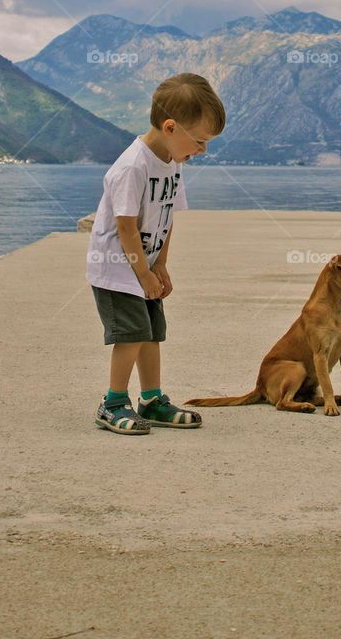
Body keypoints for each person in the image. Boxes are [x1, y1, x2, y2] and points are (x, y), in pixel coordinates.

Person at [87, 71, 226, 435]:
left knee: (151, 332)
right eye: (198, 141)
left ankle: (151, 399)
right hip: (118, 269)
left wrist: (160, 264)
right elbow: (126, 227)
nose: (201, 150)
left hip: (144, 266)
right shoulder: (133, 166)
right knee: (131, 333)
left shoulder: (172, 164)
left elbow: (167, 216)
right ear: (170, 127)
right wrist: (143, 273)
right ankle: (113, 403)